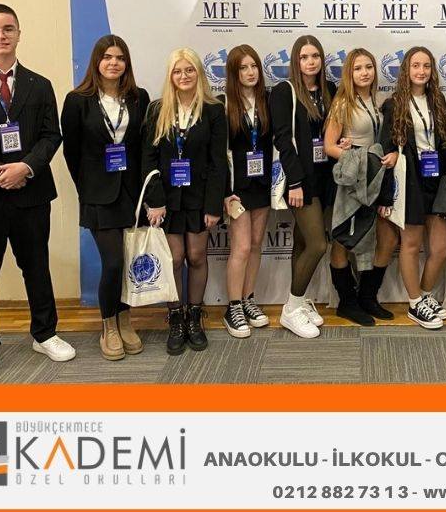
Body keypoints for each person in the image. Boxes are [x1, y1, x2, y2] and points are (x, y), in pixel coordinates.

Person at [0, 3, 75, 384]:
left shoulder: (40, 85)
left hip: (30, 193)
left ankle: (44, 334)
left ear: (19, 33)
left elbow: (51, 135)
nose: (1, 35)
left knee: (36, 266)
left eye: (8, 28)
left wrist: (26, 167)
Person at [61, 35, 150, 361]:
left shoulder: (139, 97)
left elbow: (143, 147)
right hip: (98, 194)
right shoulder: (77, 100)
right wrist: (87, 188)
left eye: (120, 57)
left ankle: (125, 320)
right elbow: (71, 152)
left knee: (128, 261)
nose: (114, 63)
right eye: (107, 57)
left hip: (132, 192)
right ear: (97, 61)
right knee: (112, 262)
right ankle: (109, 325)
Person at [142, 48, 227, 355]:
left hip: (199, 197)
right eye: (177, 71)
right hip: (167, 199)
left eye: (189, 70)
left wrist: (213, 206)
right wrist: (154, 201)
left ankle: (194, 317)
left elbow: (218, 162)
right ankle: (176, 318)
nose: (184, 76)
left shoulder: (213, 110)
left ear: (199, 73)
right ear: (170, 76)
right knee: (175, 259)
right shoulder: (157, 110)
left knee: (197, 256)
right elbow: (148, 159)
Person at [378, 47, 446, 329]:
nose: (421, 71)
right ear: (406, 70)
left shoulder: (438, 100)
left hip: (437, 180)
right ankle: (414, 304)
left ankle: (424, 295)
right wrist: (386, 196)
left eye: (426, 66)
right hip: (410, 180)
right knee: (410, 244)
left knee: (442, 248)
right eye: (415, 66)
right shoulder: (394, 104)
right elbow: (386, 150)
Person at [323, 49, 397, 325]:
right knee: (344, 241)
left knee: (387, 239)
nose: (364, 73)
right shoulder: (343, 103)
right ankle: (346, 302)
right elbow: (330, 146)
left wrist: (393, 154)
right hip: (352, 183)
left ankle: (367, 296)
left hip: (379, 180)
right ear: (349, 73)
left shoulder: (380, 101)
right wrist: (356, 156)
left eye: (368, 67)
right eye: (357, 68)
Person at [271, 35, 338, 338]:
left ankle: (299, 302)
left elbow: (332, 132)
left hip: (326, 177)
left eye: (315, 56)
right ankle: (291, 308)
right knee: (318, 244)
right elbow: (283, 140)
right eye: (304, 57)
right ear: (296, 61)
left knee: (302, 241)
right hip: (301, 180)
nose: (310, 62)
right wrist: (295, 182)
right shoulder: (284, 91)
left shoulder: (329, 89)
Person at [220, 45, 272, 338]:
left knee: (254, 244)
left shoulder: (267, 101)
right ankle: (233, 306)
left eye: (254, 66)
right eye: (243, 68)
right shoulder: (223, 103)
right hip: (236, 189)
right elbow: (218, 154)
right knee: (240, 247)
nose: (250, 72)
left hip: (261, 183)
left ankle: (248, 298)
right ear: (233, 72)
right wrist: (225, 191)